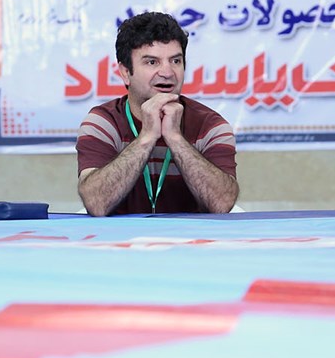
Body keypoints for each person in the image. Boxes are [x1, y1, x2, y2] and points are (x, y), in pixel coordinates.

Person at [77, 12, 239, 216]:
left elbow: (222, 204)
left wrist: (176, 139)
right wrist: (146, 138)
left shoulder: (210, 125)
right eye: (152, 62)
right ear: (126, 73)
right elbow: (96, 203)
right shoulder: (103, 122)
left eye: (176, 61)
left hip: (192, 235)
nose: (167, 73)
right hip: (119, 236)